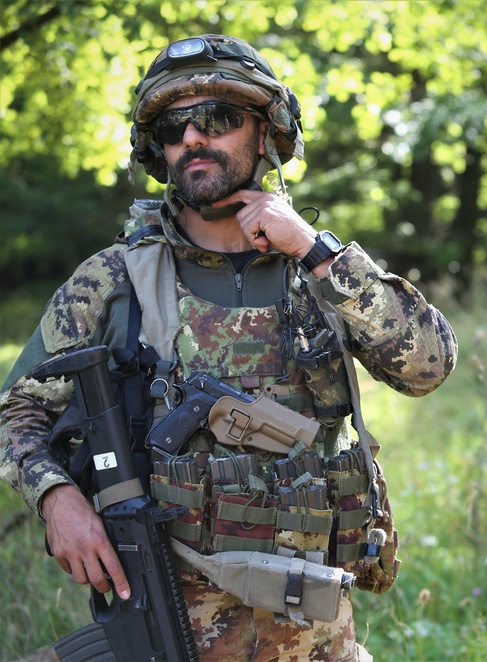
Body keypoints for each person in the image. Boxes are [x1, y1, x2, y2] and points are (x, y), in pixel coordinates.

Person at [0, 34, 457, 661]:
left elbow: (428, 367)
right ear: (156, 150)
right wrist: (56, 497)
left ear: (267, 134)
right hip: (169, 618)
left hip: (315, 629)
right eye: (171, 126)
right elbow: (16, 413)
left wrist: (315, 251)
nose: (192, 137)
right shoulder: (112, 279)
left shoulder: (318, 269)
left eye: (216, 118)